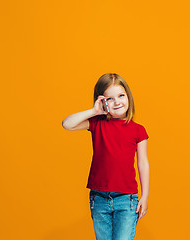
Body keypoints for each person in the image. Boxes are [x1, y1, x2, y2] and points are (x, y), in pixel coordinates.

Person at [62, 73, 150, 240]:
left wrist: (145, 196)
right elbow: (67, 124)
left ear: (128, 96)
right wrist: (94, 111)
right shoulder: (97, 123)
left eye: (121, 96)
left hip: (127, 200)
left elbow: (143, 164)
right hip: (99, 198)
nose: (117, 102)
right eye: (109, 99)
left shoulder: (138, 130)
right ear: (101, 101)